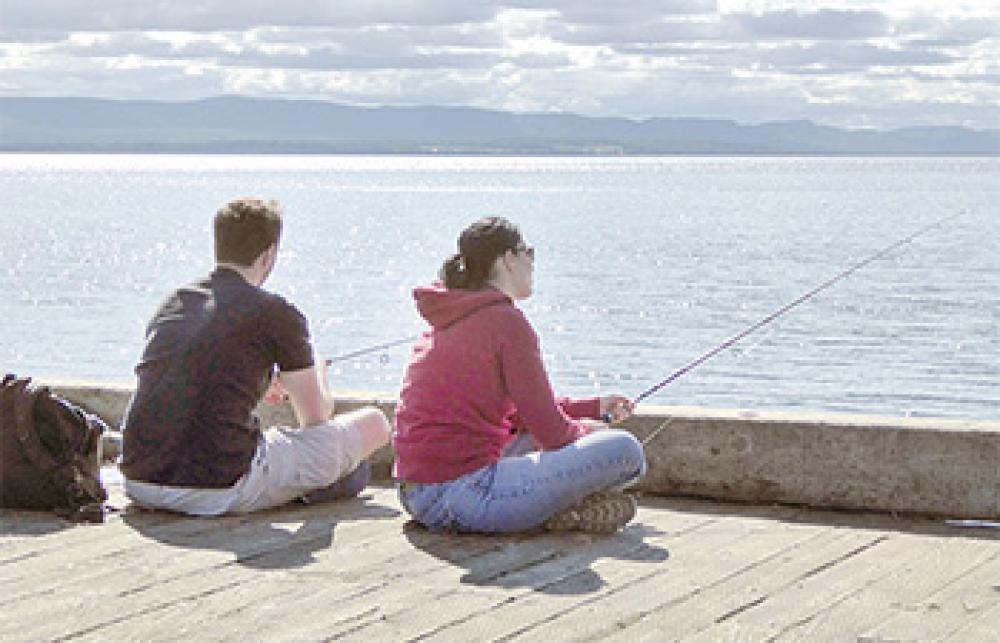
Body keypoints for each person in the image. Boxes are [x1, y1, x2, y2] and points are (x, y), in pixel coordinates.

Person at [121, 197, 390, 516]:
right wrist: (317, 371)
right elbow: (316, 418)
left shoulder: (174, 302)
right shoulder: (277, 314)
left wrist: (263, 383)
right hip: (219, 486)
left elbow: (201, 378)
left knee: (337, 464)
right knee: (374, 424)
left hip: (140, 480)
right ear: (268, 255)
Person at [393, 216, 647, 534]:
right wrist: (590, 431)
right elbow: (553, 434)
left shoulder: (453, 311)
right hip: (464, 494)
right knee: (625, 453)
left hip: (415, 492)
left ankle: (561, 511)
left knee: (565, 438)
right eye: (528, 252)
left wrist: (591, 408)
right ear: (508, 259)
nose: (532, 261)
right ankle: (561, 510)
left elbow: (521, 413)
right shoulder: (506, 323)